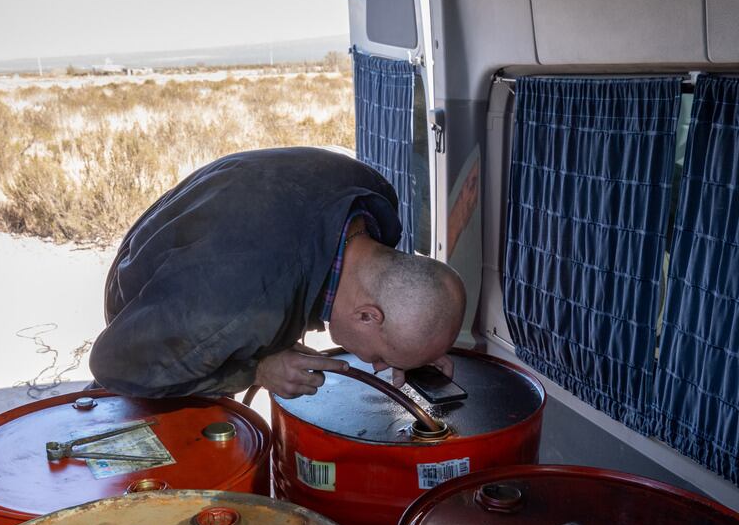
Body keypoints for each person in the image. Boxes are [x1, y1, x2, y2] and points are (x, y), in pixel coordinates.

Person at [90, 147, 466, 399]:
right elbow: (115, 364)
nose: (379, 366)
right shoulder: (234, 307)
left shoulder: (373, 194)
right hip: (144, 295)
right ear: (368, 315)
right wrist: (256, 371)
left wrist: (417, 345)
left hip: (215, 233)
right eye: (384, 356)